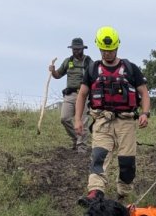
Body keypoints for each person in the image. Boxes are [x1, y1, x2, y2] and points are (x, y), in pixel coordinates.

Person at [75, 26, 150, 206]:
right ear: (99, 48)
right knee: (98, 157)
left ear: (117, 47)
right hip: (102, 121)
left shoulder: (131, 69)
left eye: (110, 50)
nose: (107, 54)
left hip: (126, 122)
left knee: (127, 163)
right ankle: (95, 193)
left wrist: (145, 113)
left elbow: (144, 93)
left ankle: (123, 196)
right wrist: (78, 119)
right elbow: (82, 95)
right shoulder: (93, 70)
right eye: (104, 50)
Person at [49, 38, 93, 151]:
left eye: (78, 49)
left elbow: (95, 78)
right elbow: (58, 75)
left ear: (82, 49)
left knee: (83, 121)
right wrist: (53, 71)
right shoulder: (68, 61)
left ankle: (81, 146)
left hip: (83, 95)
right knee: (64, 118)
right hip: (70, 95)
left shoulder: (88, 62)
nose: (76, 51)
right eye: (74, 49)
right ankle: (76, 139)